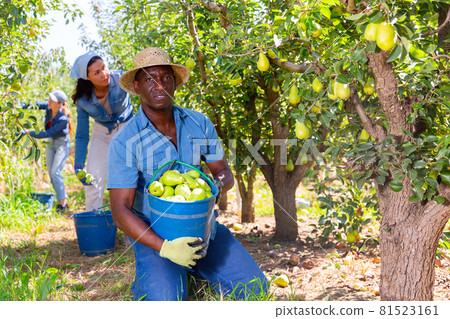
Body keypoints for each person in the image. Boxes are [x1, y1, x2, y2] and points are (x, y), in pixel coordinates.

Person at [107, 47, 268, 301]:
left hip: (203, 230)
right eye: (149, 79)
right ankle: (162, 274)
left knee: (255, 289)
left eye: (166, 78)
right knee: (166, 302)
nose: (159, 85)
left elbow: (224, 172)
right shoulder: (125, 141)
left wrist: (210, 187)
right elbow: (120, 211)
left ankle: (195, 271)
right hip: (157, 238)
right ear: (136, 87)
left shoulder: (199, 123)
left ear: (174, 84)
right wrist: (165, 248)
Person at [70, 51, 134, 212]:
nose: (104, 74)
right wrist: (78, 164)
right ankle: (94, 224)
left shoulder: (121, 79)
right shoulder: (83, 100)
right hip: (102, 131)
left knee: (131, 176)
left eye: (104, 68)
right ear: (87, 77)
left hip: (126, 127)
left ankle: (134, 228)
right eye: (96, 72)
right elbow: (82, 134)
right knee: (93, 178)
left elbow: (145, 93)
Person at [24, 90, 73, 213]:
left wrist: (30, 133)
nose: (49, 102)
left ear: (60, 104)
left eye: (53, 100)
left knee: (56, 172)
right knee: (51, 173)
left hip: (62, 143)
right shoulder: (48, 107)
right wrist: (20, 105)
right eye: (49, 99)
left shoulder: (62, 119)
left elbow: (47, 133)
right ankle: (62, 200)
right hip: (51, 142)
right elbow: (34, 104)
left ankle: (62, 203)